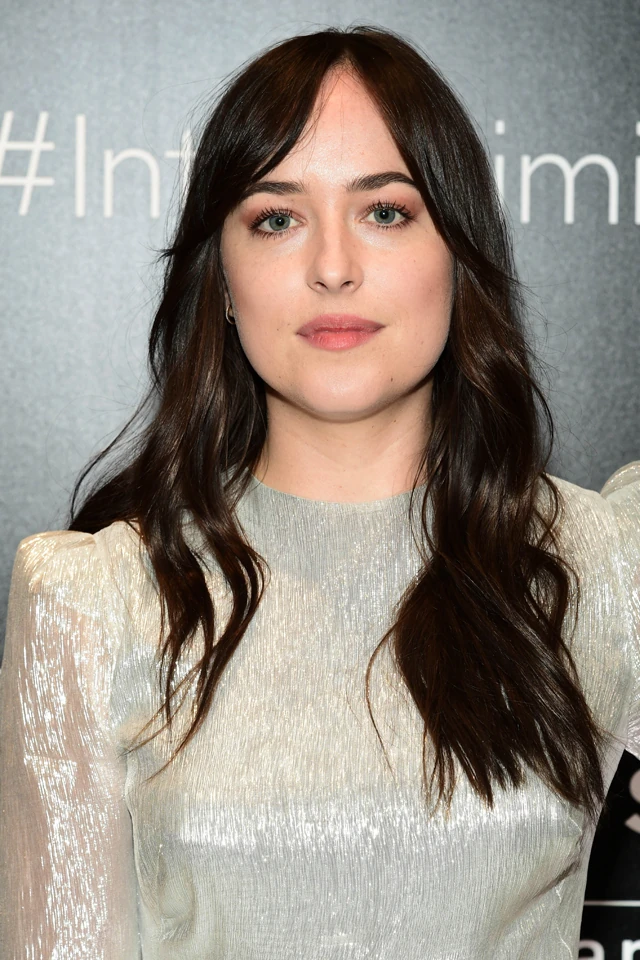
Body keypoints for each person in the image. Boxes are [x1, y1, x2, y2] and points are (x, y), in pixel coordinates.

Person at [0, 23, 638, 960]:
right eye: (277, 219)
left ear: (458, 255)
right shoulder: (98, 603)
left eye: (385, 211)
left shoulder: (602, 567)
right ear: (222, 281)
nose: (333, 266)